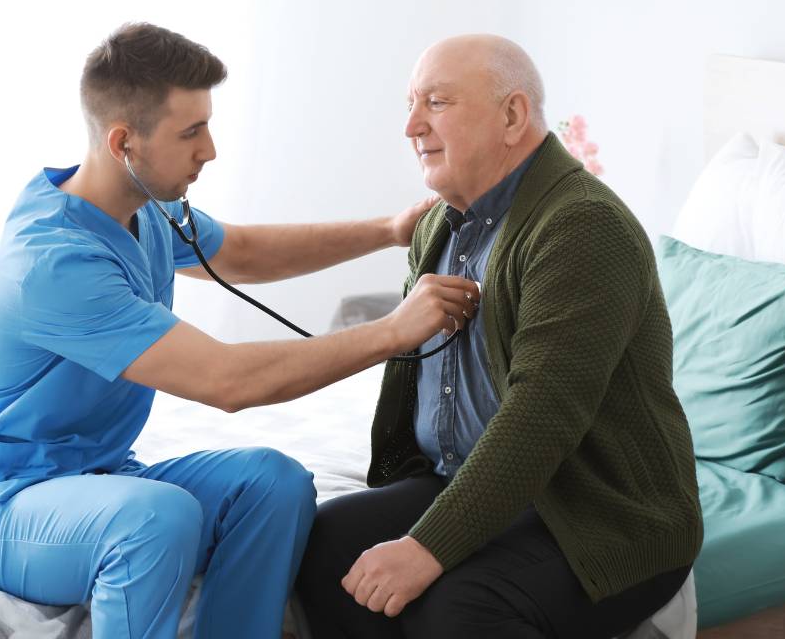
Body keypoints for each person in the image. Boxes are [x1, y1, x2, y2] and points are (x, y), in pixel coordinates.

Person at [0, 22, 479, 639]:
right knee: (155, 518)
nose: (210, 149)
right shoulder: (52, 263)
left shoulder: (145, 208)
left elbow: (242, 251)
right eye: (191, 132)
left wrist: (387, 229)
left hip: (105, 478)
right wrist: (392, 332)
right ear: (123, 143)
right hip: (2, 503)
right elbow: (226, 381)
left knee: (275, 483)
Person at [295, 34, 704, 639]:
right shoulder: (440, 221)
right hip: (466, 480)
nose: (411, 126)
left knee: (459, 604)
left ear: (512, 115)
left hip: (600, 511)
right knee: (325, 545)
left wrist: (425, 547)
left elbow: (542, 416)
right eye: (410, 104)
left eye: (435, 102)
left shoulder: (583, 227)